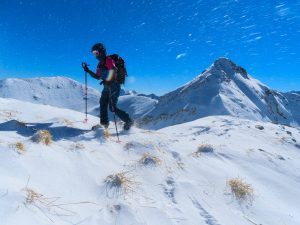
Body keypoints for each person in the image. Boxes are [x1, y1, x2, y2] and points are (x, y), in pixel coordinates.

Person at [82, 43, 133, 130]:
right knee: (102, 103)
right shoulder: (99, 64)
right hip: (106, 87)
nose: (95, 55)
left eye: (96, 53)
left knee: (112, 107)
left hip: (114, 86)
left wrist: (109, 80)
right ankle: (104, 124)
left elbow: (114, 70)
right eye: (94, 53)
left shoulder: (108, 60)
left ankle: (128, 121)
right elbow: (98, 77)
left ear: (101, 51)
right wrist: (88, 71)